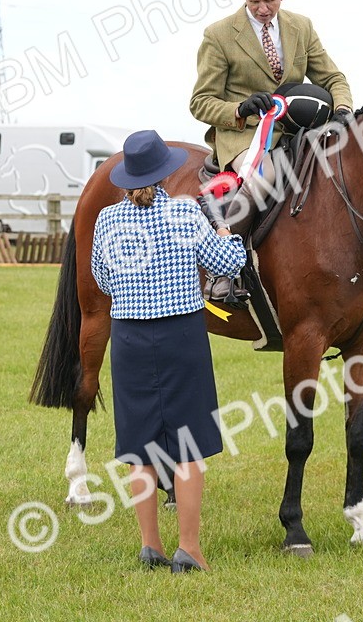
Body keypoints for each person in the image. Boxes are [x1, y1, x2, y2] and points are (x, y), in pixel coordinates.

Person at [90, 130, 246, 572]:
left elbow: (102, 279)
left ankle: (151, 546)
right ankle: (189, 549)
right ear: (163, 174)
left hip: (129, 337)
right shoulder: (185, 211)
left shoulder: (106, 220)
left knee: (139, 446)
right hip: (181, 336)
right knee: (188, 445)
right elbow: (227, 264)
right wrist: (224, 230)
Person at [188, 0, 352, 297]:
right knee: (264, 177)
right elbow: (200, 102)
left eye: (269, 2)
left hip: (297, 133)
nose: (262, 9)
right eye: (254, 2)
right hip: (244, 137)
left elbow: (333, 78)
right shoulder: (218, 35)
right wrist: (240, 109)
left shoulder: (301, 27)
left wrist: (343, 111)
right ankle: (222, 269)